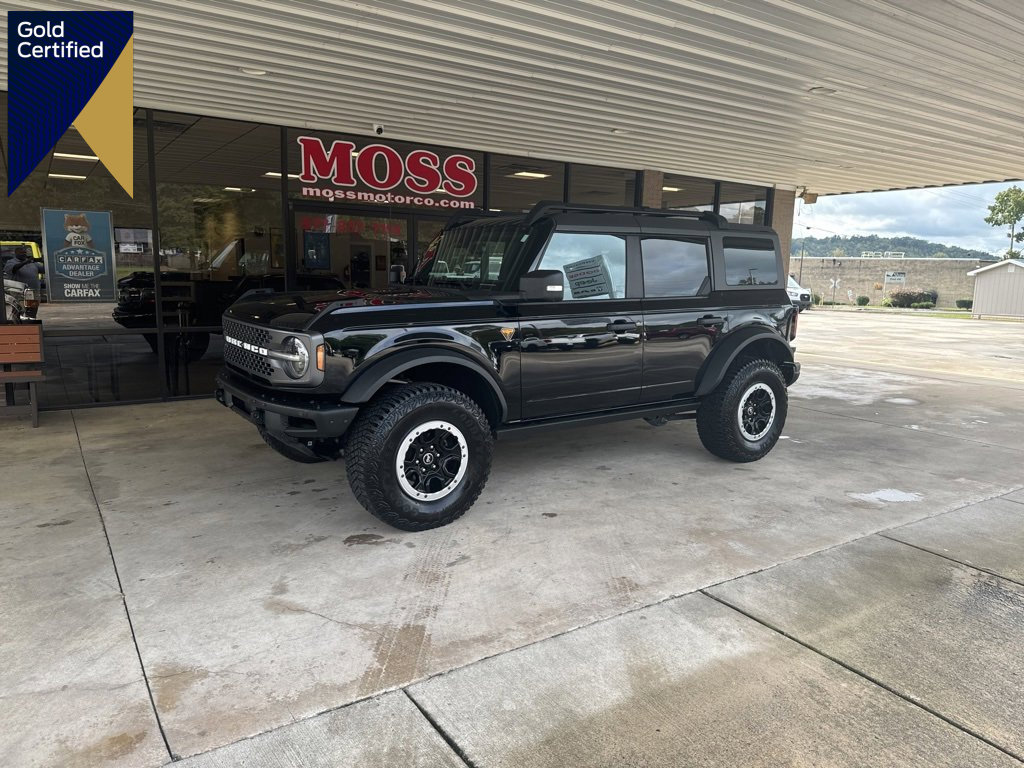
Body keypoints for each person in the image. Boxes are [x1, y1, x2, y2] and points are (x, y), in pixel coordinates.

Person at [3, 247, 43, 319]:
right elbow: (14, 269)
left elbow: (43, 269)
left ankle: (31, 324)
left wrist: (42, 260)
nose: (24, 254)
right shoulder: (11, 262)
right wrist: (25, 262)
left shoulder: (32, 263)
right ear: (16, 253)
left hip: (33, 290)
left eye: (25, 253)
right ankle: (17, 324)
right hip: (19, 292)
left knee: (32, 309)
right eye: (21, 253)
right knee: (20, 309)